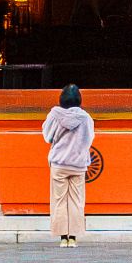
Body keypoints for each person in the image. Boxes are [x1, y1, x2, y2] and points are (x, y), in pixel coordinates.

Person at [42, 84, 97, 246]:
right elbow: (89, 139)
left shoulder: (54, 114)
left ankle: (62, 238)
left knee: (58, 200)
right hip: (78, 164)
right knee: (76, 200)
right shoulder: (86, 117)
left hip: (59, 162)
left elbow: (47, 136)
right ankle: (73, 237)